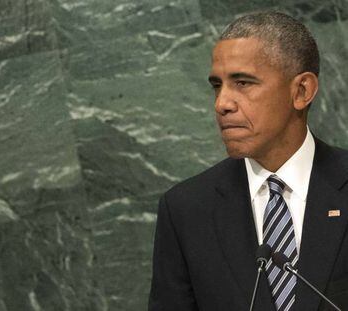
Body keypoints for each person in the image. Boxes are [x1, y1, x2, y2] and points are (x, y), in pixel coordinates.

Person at [148, 11, 348, 311]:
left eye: (243, 83)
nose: (222, 104)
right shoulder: (186, 211)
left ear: (302, 91)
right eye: (217, 85)